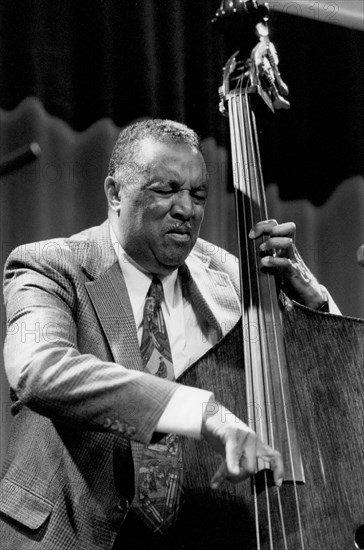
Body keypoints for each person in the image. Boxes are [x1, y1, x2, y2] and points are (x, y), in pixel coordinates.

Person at [0, 119, 339, 550]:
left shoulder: (230, 276)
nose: (186, 209)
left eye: (198, 195)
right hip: (70, 535)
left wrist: (314, 301)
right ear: (114, 192)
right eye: (166, 190)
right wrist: (199, 411)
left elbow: (331, 379)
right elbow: (38, 369)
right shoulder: (49, 266)